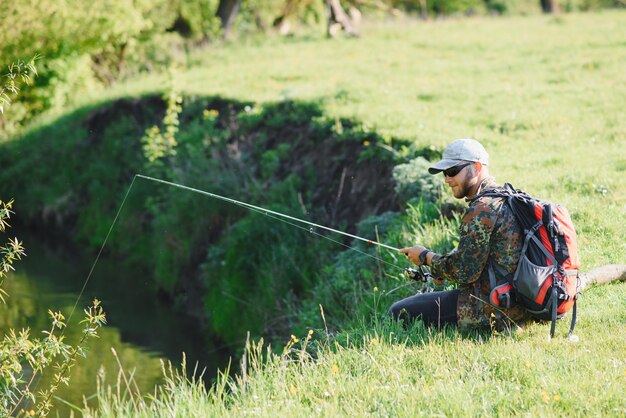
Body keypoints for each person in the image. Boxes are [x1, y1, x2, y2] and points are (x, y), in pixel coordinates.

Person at [390, 138, 531, 330]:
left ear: (477, 167)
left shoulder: (482, 209)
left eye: (452, 171)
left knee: (398, 311)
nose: (447, 179)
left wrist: (425, 257)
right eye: (445, 173)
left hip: (495, 309)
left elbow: (464, 272)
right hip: (520, 302)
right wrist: (440, 267)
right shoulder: (505, 197)